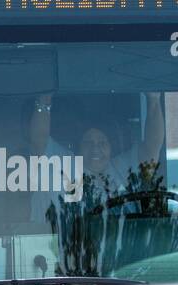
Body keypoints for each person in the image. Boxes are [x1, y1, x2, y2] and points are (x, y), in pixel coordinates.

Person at [28, 92, 166, 220]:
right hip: (68, 245)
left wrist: (153, 99)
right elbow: (39, 140)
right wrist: (43, 101)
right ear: (78, 147)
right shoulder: (65, 168)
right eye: (88, 142)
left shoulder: (122, 169)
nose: (95, 148)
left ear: (111, 147)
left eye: (102, 142)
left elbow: (152, 146)